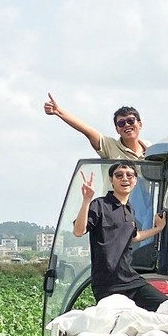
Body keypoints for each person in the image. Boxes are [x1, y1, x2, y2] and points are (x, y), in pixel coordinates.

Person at [44, 93, 154, 233]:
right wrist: (58, 111)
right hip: (116, 211)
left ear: (140, 124)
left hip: (143, 213)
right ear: (117, 129)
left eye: (130, 121)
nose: (127, 125)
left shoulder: (151, 150)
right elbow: (87, 131)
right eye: (121, 123)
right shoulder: (110, 146)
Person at [74, 161, 167, 310]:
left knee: (166, 307)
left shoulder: (130, 210)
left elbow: (134, 236)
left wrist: (158, 229)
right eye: (119, 175)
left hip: (130, 279)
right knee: (117, 321)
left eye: (129, 175)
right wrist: (86, 201)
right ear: (111, 180)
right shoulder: (100, 205)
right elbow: (79, 231)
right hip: (107, 284)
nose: (125, 178)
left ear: (135, 180)